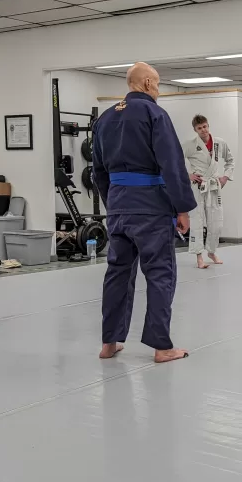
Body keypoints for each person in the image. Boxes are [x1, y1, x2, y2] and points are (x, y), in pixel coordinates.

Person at [91, 62, 197, 363]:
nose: (159, 89)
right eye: (158, 83)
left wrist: (114, 202)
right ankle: (161, 347)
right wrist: (182, 208)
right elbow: (171, 163)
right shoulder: (155, 114)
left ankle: (109, 343)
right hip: (150, 206)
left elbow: (98, 170)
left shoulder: (106, 118)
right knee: (160, 273)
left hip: (118, 206)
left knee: (117, 273)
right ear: (148, 82)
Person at [182, 114, 234, 269]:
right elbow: (174, 161)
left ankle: (211, 251)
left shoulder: (220, 143)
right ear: (195, 130)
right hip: (198, 186)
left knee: (216, 222)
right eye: (199, 128)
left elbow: (230, 161)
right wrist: (188, 175)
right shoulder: (189, 144)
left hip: (214, 186)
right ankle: (199, 256)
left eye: (205, 126)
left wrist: (225, 177)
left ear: (208, 125)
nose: (203, 130)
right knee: (197, 221)